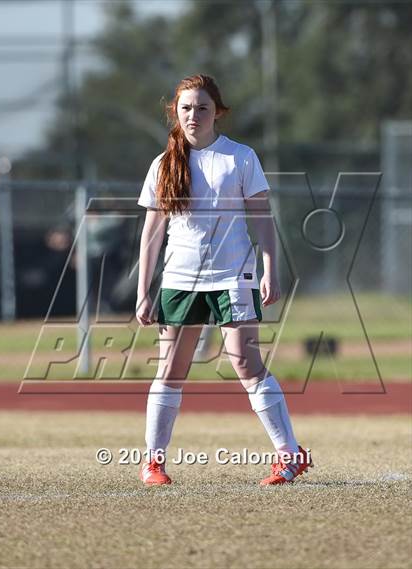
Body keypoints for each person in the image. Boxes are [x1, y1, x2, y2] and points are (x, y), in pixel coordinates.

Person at [136, 74, 313, 486]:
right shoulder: (163, 164)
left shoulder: (240, 157)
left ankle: (289, 454)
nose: (193, 115)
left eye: (202, 108)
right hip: (180, 278)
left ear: (217, 112)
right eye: (185, 108)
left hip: (233, 275)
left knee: (246, 363)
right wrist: (144, 291)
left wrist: (270, 268)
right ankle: (153, 463)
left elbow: (262, 218)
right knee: (170, 371)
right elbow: (152, 232)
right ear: (175, 112)